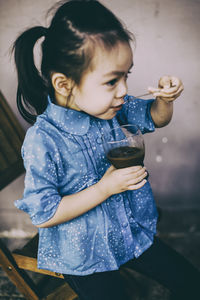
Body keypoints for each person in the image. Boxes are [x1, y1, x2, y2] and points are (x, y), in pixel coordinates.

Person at [13, 1, 199, 299]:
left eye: (126, 75)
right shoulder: (43, 140)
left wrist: (166, 99)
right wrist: (104, 189)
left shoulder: (112, 108)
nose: (124, 89)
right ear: (64, 83)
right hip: (84, 255)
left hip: (129, 234)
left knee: (191, 281)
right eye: (112, 80)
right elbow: (44, 215)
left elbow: (157, 117)